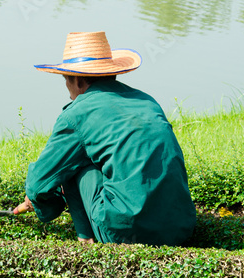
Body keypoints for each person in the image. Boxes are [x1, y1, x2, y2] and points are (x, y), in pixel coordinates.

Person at [14, 31, 196, 245]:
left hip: (126, 234)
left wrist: (46, 203)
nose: (68, 91)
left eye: (66, 81)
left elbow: (38, 184)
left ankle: (86, 239)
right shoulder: (147, 101)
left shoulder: (76, 114)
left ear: (79, 81)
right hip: (182, 228)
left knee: (72, 166)